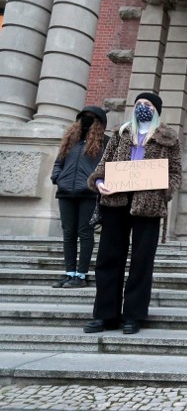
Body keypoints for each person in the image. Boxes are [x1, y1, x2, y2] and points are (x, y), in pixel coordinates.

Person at [84, 92, 182, 334]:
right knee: (108, 258)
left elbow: (176, 172)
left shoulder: (167, 138)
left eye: (147, 105)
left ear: (156, 110)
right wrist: (99, 183)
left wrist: (164, 191)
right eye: (139, 104)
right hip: (116, 201)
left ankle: (133, 316)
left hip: (148, 205)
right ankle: (105, 315)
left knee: (141, 262)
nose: (142, 108)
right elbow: (102, 166)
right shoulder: (121, 133)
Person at [50, 106, 110, 288]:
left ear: (99, 122)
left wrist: (99, 183)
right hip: (66, 191)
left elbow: (108, 166)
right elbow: (59, 161)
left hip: (89, 193)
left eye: (91, 117)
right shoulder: (71, 139)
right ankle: (69, 273)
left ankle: (81, 275)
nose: (86, 120)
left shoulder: (104, 142)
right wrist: (57, 177)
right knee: (68, 233)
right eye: (84, 116)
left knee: (85, 233)